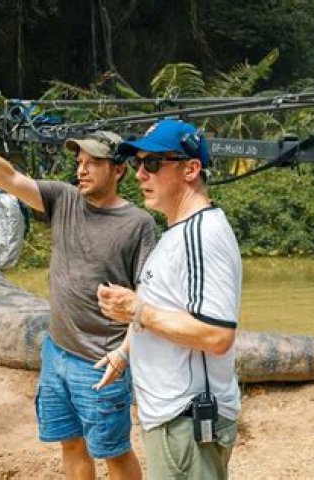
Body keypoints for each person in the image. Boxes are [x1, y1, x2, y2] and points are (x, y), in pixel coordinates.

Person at [0, 131, 156, 479]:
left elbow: (147, 297)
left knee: (114, 452)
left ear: (118, 170)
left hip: (102, 360)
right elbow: (9, 178)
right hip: (57, 352)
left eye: (93, 163)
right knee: (70, 443)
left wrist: (124, 353)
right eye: (79, 162)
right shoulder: (63, 198)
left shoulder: (138, 224)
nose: (82, 170)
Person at [96, 119, 242, 479]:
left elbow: (216, 335)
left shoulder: (201, 236)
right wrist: (125, 351)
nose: (140, 174)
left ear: (191, 169)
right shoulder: (178, 233)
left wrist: (136, 309)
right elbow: (167, 307)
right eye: (138, 163)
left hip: (186, 422)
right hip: (172, 420)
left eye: (153, 163)